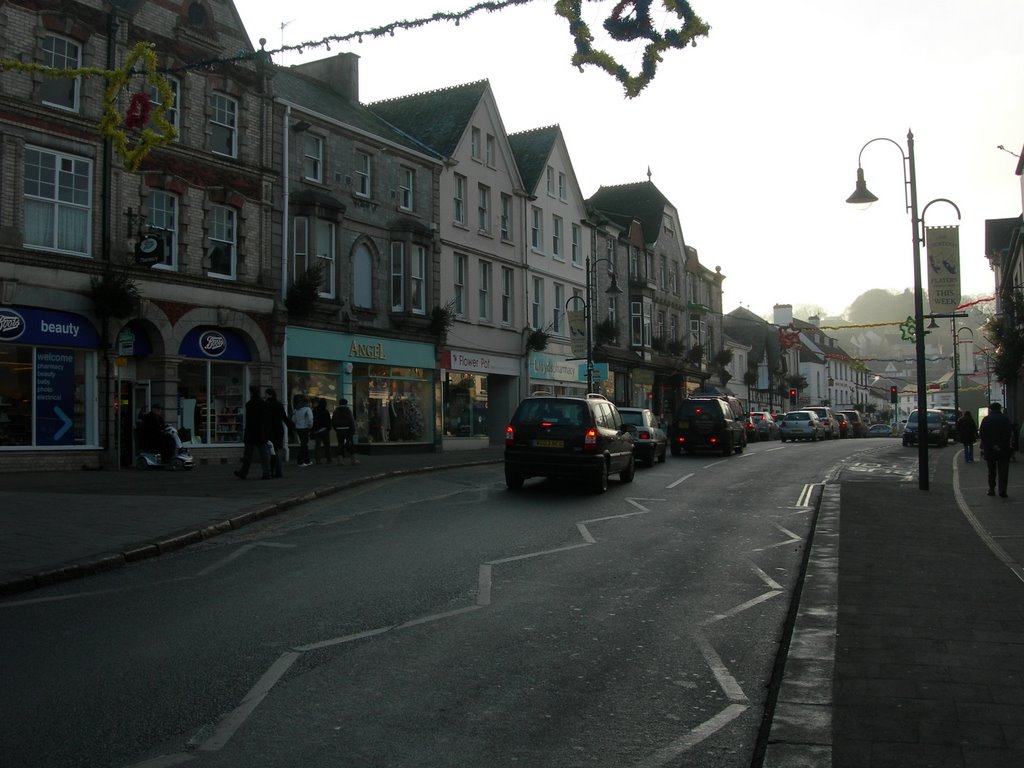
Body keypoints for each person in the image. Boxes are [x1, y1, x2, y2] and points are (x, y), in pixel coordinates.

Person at [235, 385, 270, 480]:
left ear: (251, 392)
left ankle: (244, 472)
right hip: (260, 431)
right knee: (264, 453)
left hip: (251, 431)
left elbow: (249, 420)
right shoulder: (263, 404)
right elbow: (266, 419)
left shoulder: (249, 404)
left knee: (248, 454)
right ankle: (266, 472)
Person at [979, 402, 1013, 498]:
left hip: (990, 450)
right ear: (1000, 409)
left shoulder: (986, 420)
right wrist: (1000, 445)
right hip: (1003, 449)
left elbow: (982, 435)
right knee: (1003, 472)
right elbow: (1008, 434)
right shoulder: (1005, 419)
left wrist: (992, 445)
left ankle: (991, 489)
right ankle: (1002, 491)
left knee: (991, 471)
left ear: (990, 409)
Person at [264, 388, 294, 479]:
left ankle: (273, 471)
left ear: (270, 395)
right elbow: (284, 418)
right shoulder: (279, 405)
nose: (264, 396)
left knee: (270, 452)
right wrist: (291, 427)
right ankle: (277, 471)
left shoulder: (266, 405)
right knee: (276, 451)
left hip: (268, 431)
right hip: (278, 430)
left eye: (266, 394)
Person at [332, 398, 359, 466]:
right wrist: (353, 430)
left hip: (339, 430)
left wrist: (336, 428)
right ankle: (353, 460)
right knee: (350, 443)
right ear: (346, 403)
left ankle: (340, 461)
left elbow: (333, 421)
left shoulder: (336, 411)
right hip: (348, 429)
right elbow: (351, 420)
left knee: (340, 444)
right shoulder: (348, 410)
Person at [291, 395, 313, 467]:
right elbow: (310, 419)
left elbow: (293, 419)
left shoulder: (296, 409)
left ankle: (307, 460)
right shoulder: (307, 409)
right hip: (305, 428)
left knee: (304, 444)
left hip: (298, 428)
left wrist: (297, 424)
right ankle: (300, 461)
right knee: (303, 445)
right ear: (307, 403)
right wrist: (310, 425)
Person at [311, 398, 332, 464]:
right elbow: (329, 421)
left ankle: (318, 460)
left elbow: (313, 420)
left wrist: (313, 429)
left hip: (317, 430)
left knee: (317, 445)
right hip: (325, 430)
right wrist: (328, 428)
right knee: (327, 445)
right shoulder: (326, 411)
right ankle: (328, 459)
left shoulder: (314, 410)